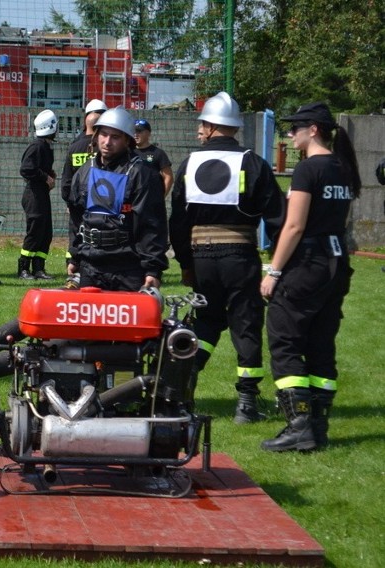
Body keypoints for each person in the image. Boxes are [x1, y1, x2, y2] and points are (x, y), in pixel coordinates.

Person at [169, 91, 285, 424]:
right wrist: (278, 264)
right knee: (246, 324)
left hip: (202, 257)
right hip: (241, 256)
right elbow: (277, 217)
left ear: (209, 125)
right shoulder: (253, 162)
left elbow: (177, 222)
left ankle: (185, 385)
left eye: (201, 125)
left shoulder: (189, 164)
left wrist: (186, 265)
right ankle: (247, 403)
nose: (198, 131)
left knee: (206, 321)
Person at [259, 103, 360, 452]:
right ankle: (318, 426)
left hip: (307, 263)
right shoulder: (343, 168)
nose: (290, 134)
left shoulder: (308, 170)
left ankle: (298, 425)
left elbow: (295, 225)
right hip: (336, 261)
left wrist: (273, 271)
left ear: (313, 129)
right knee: (321, 344)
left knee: (284, 339)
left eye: (295, 128)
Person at [68, 107, 168, 291]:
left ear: (127, 141)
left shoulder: (142, 174)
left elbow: (152, 224)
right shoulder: (85, 171)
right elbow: (76, 218)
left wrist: (153, 270)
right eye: (103, 135)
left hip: (128, 267)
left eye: (115, 137)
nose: (107, 142)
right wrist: (74, 257)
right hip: (90, 265)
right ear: (96, 135)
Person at [61, 99, 107, 285]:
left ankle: (73, 273)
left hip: (77, 205)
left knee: (76, 237)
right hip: (102, 204)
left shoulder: (74, 147)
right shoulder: (106, 147)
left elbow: (66, 181)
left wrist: (70, 202)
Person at [18, 109, 58, 280]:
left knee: (45, 232)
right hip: (33, 195)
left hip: (41, 195)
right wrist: (45, 176)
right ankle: (23, 268)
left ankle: (39, 268)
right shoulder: (37, 146)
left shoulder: (45, 146)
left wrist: (50, 174)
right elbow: (26, 169)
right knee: (34, 232)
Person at [133, 119, 174, 196]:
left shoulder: (158, 153)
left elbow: (168, 177)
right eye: (134, 131)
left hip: (149, 199)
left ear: (148, 133)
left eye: (139, 131)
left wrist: (160, 198)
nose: (135, 134)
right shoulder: (128, 152)